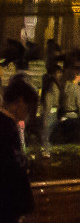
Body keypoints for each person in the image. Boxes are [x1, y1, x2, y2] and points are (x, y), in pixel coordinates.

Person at [0, 78, 37, 223]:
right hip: (7, 207)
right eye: (29, 107)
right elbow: (13, 171)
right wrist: (25, 206)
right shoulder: (6, 129)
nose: (28, 113)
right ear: (20, 102)